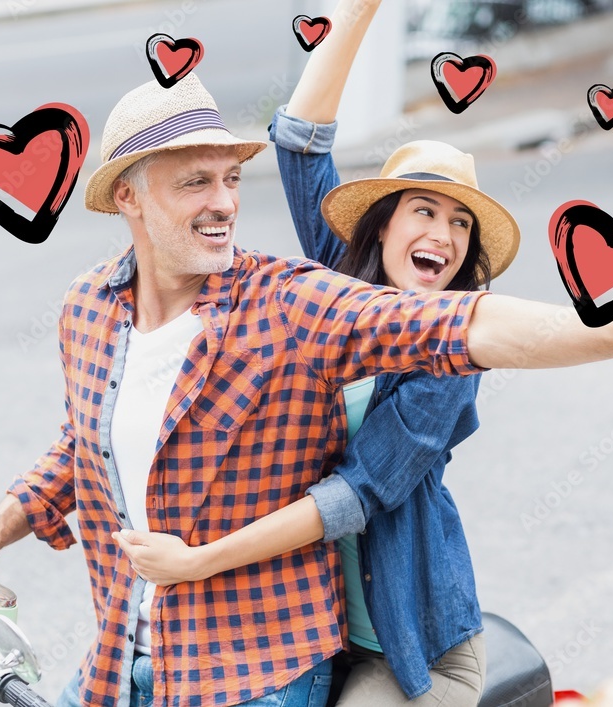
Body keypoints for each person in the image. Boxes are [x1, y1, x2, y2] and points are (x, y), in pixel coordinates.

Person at [0, 65, 613, 707]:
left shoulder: (294, 302)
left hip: (272, 662)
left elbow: (461, 330)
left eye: (230, 179)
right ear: (128, 195)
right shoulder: (87, 309)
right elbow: (83, 448)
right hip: (124, 657)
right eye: (195, 181)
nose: (225, 201)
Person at [114, 0, 505, 704]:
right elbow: (300, 142)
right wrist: (358, 14)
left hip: (411, 647)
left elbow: (356, 494)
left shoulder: (453, 360)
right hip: (310, 634)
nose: (443, 236)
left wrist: (198, 562)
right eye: (424, 210)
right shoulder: (341, 287)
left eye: (460, 225)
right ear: (384, 227)